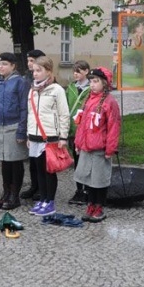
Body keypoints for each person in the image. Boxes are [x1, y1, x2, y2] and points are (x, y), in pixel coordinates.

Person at [74, 67, 120, 223]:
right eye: (91, 81)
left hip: (100, 149)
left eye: (96, 81)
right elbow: (82, 124)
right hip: (86, 147)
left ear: (105, 83)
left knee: (98, 180)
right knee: (87, 179)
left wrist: (110, 149)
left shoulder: (110, 102)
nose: (92, 84)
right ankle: (90, 204)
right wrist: (78, 143)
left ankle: (99, 206)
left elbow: (114, 127)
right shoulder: (88, 98)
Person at [26, 56, 70, 216]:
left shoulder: (56, 90)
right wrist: (28, 135)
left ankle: (50, 201)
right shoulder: (32, 90)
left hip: (50, 137)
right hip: (35, 137)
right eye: (34, 71)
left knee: (49, 171)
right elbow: (30, 114)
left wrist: (63, 137)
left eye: (39, 70)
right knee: (38, 171)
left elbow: (64, 114)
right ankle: (42, 199)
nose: (35, 74)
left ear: (49, 71)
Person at [0, 52, 29, 210]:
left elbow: (24, 108)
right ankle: (6, 192)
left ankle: (15, 194)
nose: (1, 67)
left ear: (13, 66)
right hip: (0, 126)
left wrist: (21, 130)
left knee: (15, 161)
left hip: (13, 126)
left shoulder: (20, 82)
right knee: (4, 162)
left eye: (5, 64)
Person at [21, 48, 46, 201]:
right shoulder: (27, 78)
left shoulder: (48, 83)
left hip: (43, 127)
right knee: (33, 161)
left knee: (42, 162)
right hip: (31, 123)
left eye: (32, 61)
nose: (29, 64)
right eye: (28, 61)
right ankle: (34, 186)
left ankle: (42, 189)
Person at [66, 59, 91, 205]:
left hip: (86, 131)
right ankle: (79, 189)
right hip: (73, 130)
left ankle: (88, 189)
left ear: (86, 71)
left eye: (79, 71)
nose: (76, 74)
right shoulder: (70, 88)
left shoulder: (91, 88)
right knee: (76, 161)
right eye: (74, 71)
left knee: (85, 162)